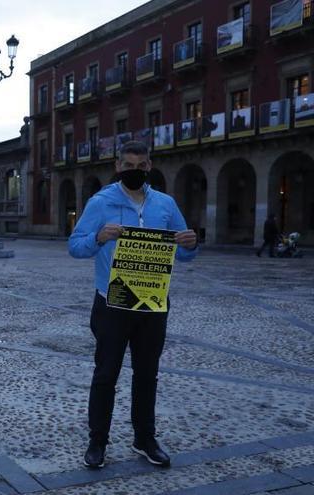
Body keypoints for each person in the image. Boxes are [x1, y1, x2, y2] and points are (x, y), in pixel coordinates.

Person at [68, 141, 198, 469]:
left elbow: (184, 253)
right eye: (128, 165)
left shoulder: (165, 204)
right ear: (117, 166)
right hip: (112, 303)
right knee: (105, 375)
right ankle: (97, 441)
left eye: (141, 166)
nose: (134, 171)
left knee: (147, 375)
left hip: (153, 305)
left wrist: (190, 243)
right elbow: (75, 247)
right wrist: (98, 238)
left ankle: (145, 439)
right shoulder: (101, 203)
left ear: (149, 167)